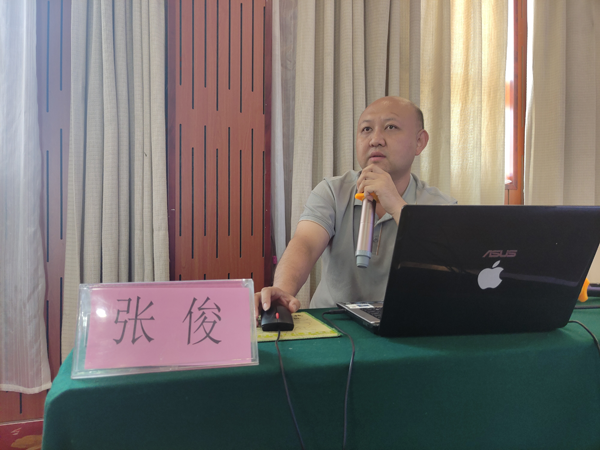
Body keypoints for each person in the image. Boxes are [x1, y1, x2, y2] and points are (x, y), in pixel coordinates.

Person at [256, 96, 456, 317]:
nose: (375, 140)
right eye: (366, 129)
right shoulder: (332, 191)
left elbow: (448, 273)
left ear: (419, 142)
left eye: (391, 127)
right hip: (334, 321)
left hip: (405, 323)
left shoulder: (441, 206)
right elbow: (305, 244)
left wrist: (397, 205)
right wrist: (283, 291)